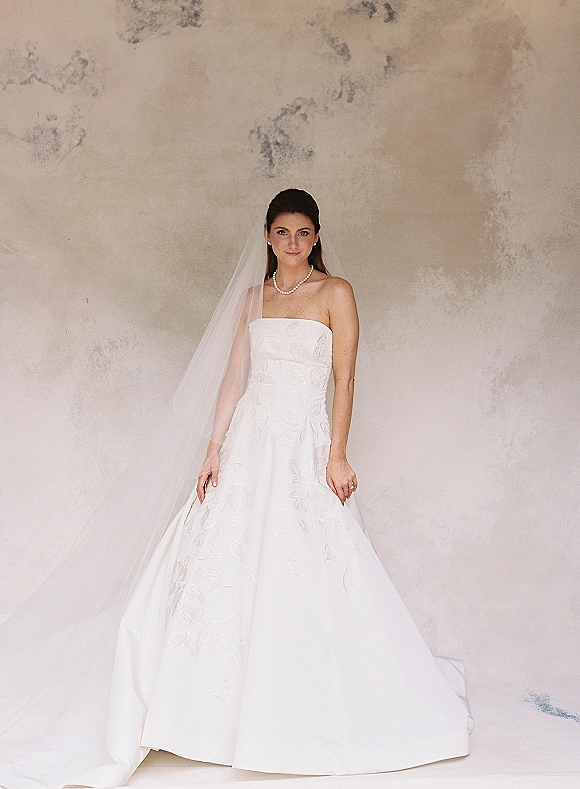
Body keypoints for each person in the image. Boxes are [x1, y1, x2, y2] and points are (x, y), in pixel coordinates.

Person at [0, 190, 471, 789]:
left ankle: (304, 709)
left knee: (310, 561)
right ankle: (207, 717)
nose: (293, 243)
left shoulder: (336, 292)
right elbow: (233, 378)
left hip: (302, 445)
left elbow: (345, 378)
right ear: (268, 236)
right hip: (250, 442)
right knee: (224, 563)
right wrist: (214, 447)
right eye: (283, 232)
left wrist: (337, 453)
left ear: (317, 236)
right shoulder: (252, 299)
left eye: (304, 232)